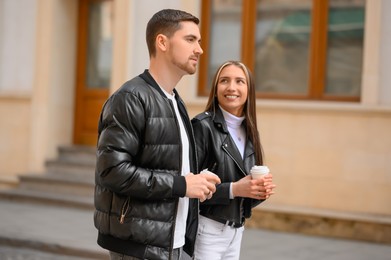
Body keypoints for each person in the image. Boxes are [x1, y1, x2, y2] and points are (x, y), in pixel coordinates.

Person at [94, 9, 221, 260]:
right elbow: (112, 172)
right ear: (162, 42)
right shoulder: (131, 98)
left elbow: (164, 165)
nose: (199, 49)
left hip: (168, 242)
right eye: (190, 40)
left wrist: (195, 180)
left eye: (200, 41)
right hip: (137, 245)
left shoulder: (175, 101)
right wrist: (183, 184)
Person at [191, 61, 276, 260]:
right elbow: (189, 187)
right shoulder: (202, 126)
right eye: (224, 81)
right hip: (207, 230)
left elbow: (243, 194)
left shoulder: (250, 131)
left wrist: (258, 192)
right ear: (215, 88)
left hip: (236, 232)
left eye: (240, 81)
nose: (231, 87)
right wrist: (235, 189)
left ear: (249, 90)